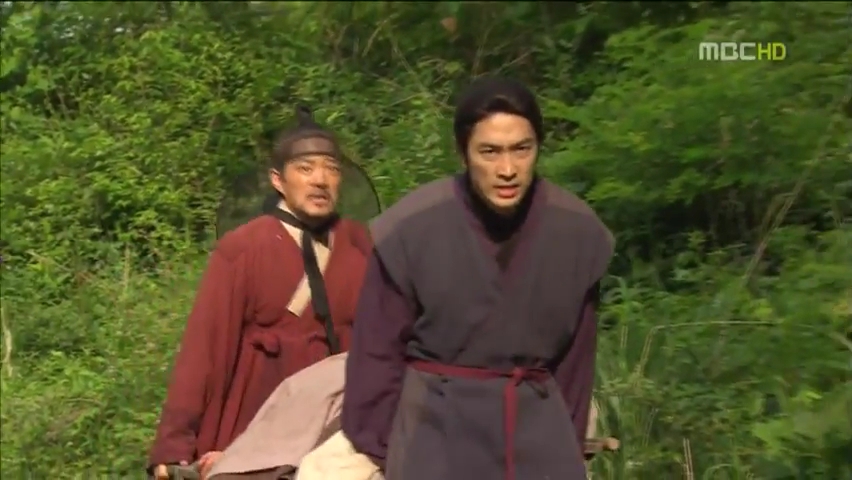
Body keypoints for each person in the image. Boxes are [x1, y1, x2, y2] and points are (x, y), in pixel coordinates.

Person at [341, 77, 614, 480]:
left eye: (521, 149)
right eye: (490, 151)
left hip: (538, 434)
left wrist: (566, 448)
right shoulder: (413, 228)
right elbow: (377, 353)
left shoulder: (576, 232)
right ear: (463, 152)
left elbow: (576, 364)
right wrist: (385, 449)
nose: (507, 170)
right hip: (435, 432)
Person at [148, 106, 379, 479]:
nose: (321, 180)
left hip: (336, 423)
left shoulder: (360, 247)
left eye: (331, 169)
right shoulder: (243, 248)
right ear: (278, 180)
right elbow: (204, 352)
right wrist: (173, 446)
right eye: (305, 169)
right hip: (254, 421)